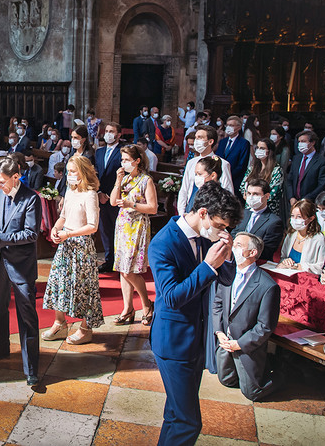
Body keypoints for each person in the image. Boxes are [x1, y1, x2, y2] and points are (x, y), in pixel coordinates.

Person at [148, 182, 239, 445]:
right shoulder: (163, 243)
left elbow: (226, 278)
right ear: (202, 213)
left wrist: (228, 256)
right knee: (189, 422)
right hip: (173, 341)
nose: (222, 232)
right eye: (220, 225)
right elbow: (173, 297)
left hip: (196, 337)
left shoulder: (204, 235)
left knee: (177, 413)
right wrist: (208, 266)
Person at [0, 158, 42, 386]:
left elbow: (31, 234)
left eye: (2, 182)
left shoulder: (32, 198)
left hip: (21, 264)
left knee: (27, 314)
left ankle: (31, 367)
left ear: (16, 176)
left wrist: (0, 238)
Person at [42, 155, 104, 345]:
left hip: (82, 246)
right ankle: (60, 323)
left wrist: (69, 234)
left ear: (83, 172)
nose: (69, 175)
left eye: (72, 172)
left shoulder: (90, 194)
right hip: (66, 244)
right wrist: (55, 228)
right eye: (68, 172)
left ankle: (85, 328)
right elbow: (64, 216)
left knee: (83, 287)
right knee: (58, 281)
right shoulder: (70, 191)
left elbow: (93, 226)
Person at [213, 232, 281, 401]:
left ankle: (283, 373)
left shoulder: (267, 286)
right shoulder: (228, 273)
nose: (233, 248)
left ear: (252, 253)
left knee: (252, 393)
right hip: (226, 340)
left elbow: (265, 325)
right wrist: (219, 332)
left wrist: (240, 344)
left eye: (238, 246)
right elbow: (217, 304)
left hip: (246, 344)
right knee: (226, 380)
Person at [111, 145, 158, 326]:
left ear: (137, 160)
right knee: (123, 268)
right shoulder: (125, 179)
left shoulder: (146, 180)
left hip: (137, 226)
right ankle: (128, 308)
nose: (123, 163)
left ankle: (146, 305)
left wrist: (132, 204)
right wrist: (118, 180)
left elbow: (153, 208)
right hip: (122, 225)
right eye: (121, 159)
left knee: (129, 269)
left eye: (126, 160)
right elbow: (114, 201)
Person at [177, 126, 234, 214]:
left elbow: (228, 191)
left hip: (210, 210)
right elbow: (184, 189)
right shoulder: (191, 162)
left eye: (200, 138)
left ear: (210, 141)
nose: (196, 141)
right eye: (196, 138)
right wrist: (181, 212)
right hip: (190, 208)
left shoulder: (222, 163)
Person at [94, 122, 124, 273]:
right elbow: (96, 174)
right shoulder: (99, 152)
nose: (108, 134)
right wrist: (99, 192)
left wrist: (111, 194)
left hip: (117, 197)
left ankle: (120, 261)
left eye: (112, 131)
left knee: (118, 230)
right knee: (105, 230)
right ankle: (108, 260)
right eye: (106, 131)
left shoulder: (122, 152)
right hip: (101, 197)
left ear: (119, 134)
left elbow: (123, 176)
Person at [233, 179, 284, 261]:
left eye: (256, 194)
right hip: (235, 259)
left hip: (258, 263)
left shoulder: (274, 222)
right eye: (249, 193)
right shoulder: (243, 213)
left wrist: (244, 252)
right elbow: (234, 234)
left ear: (267, 196)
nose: (251, 197)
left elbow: (268, 250)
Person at [278, 199, 325, 274]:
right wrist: (285, 261)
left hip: (307, 280)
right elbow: (283, 257)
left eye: (299, 217)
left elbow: (321, 267)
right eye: (292, 216)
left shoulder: (319, 239)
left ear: (311, 218)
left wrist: (299, 267)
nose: (294, 220)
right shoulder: (291, 234)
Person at [240, 139, 283, 215]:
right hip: (250, 208)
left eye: (262, 148)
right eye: (257, 148)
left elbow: (274, 193)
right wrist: (250, 199)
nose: (259, 150)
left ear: (269, 151)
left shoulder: (276, 170)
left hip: (268, 211)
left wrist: (257, 199)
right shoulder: (252, 168)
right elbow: (243, 186)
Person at [215, 116, 251, 197]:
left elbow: (242, 165)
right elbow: (217, 158)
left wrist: (228, 175)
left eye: (231, 125)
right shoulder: (222, 142)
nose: (228, 127)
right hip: (220, 179)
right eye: (227, 125)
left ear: (238, 127)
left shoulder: (244, 143)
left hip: (234, 180)